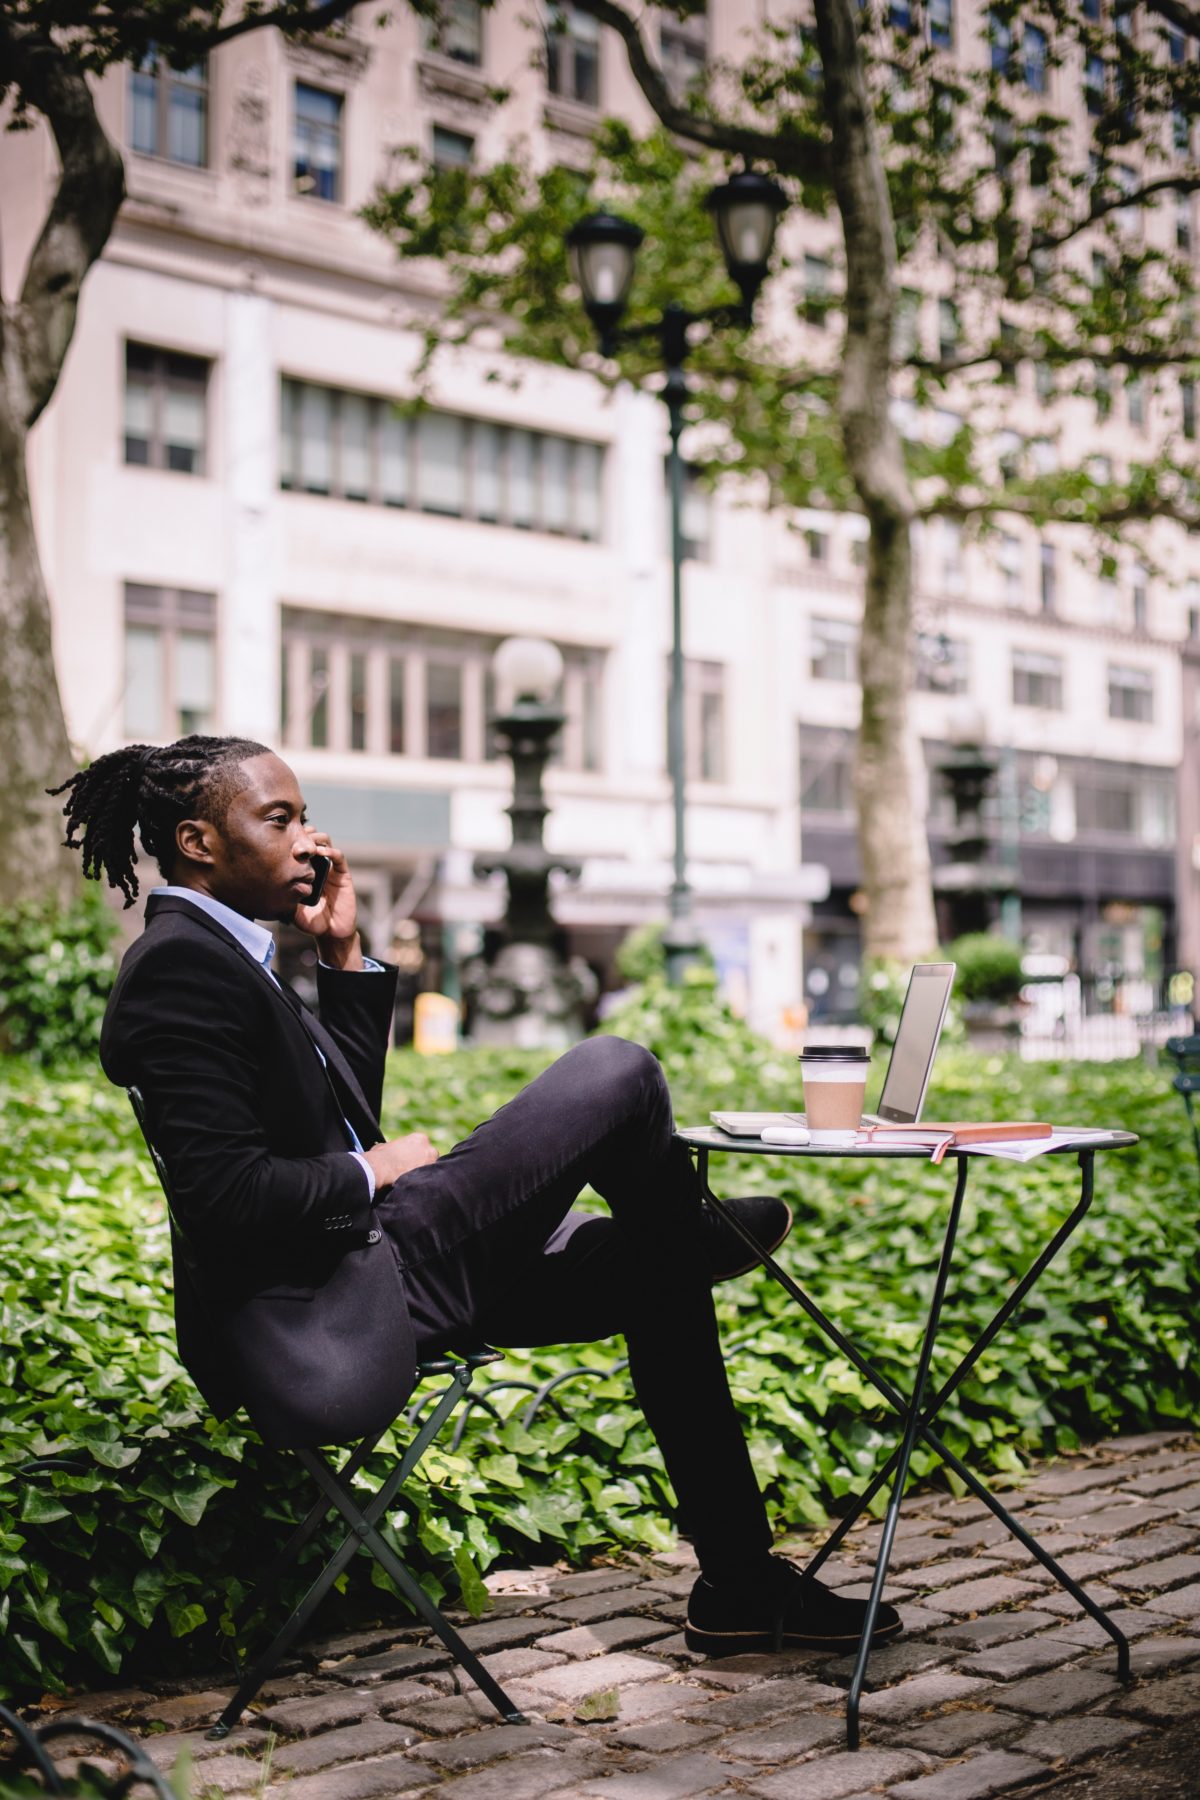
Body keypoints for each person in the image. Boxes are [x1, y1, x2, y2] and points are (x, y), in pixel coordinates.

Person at [51, 734, 901, 1656]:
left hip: (372, 1275)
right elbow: (228, 1197)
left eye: (304, 817)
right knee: (616, 1072)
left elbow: (330, 1123)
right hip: (338, 1305)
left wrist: (342, 963)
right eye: (280, 819)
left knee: (654, 1275)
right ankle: (687, 1240)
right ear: (198, 843)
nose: (310, 839)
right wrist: (374, 1173)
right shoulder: (181, 968)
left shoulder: (229, 955)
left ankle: (737, 1582)